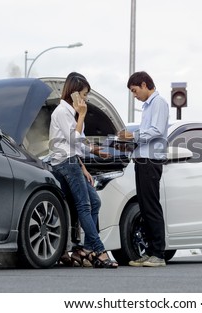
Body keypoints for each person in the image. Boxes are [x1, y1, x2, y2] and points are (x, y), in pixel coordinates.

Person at [49, 72, 118, 269]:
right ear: (74, 93)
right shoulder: (62, 112)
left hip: (73, 162)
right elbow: (73, 140)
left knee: (94, 202)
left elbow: (79, 142)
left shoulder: (71, 113)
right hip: (65, 163)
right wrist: (82, 114)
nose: (86, 98)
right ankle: (99, 250)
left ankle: (85, 248)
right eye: (84, 94)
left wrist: (93, 155)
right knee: (85, 206)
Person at [117, 71, 169, 267]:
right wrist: (128, 141)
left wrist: (133, 136)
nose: (134, 95)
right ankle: (149, 252)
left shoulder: (159, 103)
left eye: (135, 90)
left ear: (145, 84)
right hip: (142, 160)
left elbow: (156, 131)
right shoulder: (148, 106)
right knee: (145, 208)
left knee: (151, 206)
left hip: (150, 161)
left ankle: (158, 254)